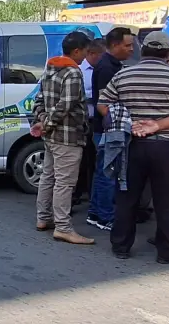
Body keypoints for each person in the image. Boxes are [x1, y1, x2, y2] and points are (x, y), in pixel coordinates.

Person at [98, 30, 169, 263]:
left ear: (142, 49)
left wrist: (129, 123)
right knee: (168, 201)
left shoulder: (124, 75)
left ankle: (121, 247)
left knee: (127, 197)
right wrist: (158, 124)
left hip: (131, 146)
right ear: (168, 52)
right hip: (167, 147)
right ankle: (168, 252)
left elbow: (103, 104)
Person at [31, 31, 95, 245]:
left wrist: (43, 122)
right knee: (65, 183)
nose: (86, 56)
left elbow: (38, 101)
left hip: (51, 137)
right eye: (85, 51)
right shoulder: (73, 73)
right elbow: (65, 106)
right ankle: (63, 227)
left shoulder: (50, 69)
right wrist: (48, 123)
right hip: (68, 136)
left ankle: (43, 218)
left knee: (48, 177)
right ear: (77, 51)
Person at [86, 27, 136, 232]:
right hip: (109, 128)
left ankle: (96, 212)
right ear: (114, 45)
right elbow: (104, 103)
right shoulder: (107, 67)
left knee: (102, 172)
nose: (131, 49)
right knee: (109, 172)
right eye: (128, 45)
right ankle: (105, 216)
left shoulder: (112, 64)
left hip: (105, 127)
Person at [75, 38, 105, 204]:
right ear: (92, 54)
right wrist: (94, 95)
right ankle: (76, 194)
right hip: (83, 121)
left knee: (95, 160)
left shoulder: (103, 69)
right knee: (81, 160)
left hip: (98, 121)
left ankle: (92, 194)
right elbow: (77, 94)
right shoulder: (79, 70)